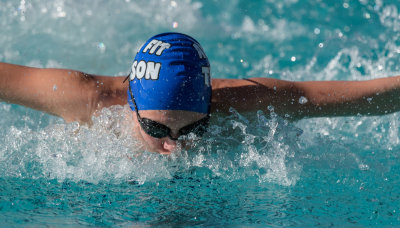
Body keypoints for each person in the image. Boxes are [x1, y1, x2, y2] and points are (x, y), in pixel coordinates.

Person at [0, 32, 400, 154]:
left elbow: (371, 99)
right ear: (131, 104)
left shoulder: (246, 101)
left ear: (210, 106)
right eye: (156, 131)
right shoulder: (79, 97)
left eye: (193, 131)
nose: (174, 149)